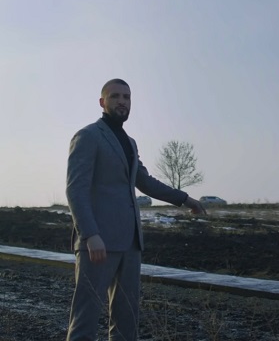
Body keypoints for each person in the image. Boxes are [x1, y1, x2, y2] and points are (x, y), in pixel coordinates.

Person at [65, 78, 207, 340]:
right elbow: (76, 190)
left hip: (130, 244)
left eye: (126, 97)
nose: (122, 101)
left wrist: (185, 199)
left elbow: (145, 181)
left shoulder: (129, 142)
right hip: (97, 243)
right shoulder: (88, 136)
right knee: (85, 320)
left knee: (127, 320)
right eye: (115, 96)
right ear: (102, 102)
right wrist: (90, 234)